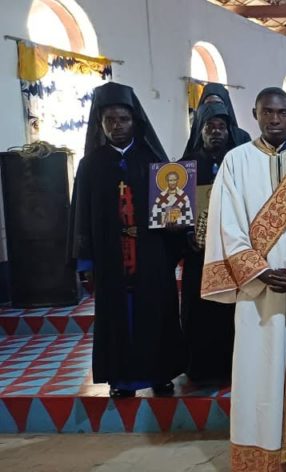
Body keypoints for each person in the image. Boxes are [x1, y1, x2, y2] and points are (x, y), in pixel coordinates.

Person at [201, 87, 286, 471]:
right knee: (257, 371)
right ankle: (261, 453)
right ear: (254, 114)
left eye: (282, 113)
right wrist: (258, 270)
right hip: (257, 290)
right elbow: (227, 222)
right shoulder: (235, 161)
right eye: (267, 113)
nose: (275, 119)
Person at [70, 82, 184, 399]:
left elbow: (172, 208)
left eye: (123, 119)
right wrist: (86, 261)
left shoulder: (154, 162)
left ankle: (161, 375)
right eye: (110, 120)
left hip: (151, 256)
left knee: (157, 312)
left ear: (135, 122)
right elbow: (81, 213)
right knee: (117, 319)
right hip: (110, 259)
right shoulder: (90, 165)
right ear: (100, 124)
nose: (117, 126)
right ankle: (121, 379)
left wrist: (177, 230)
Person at [179, 102, 237, 386]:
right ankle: (199, 367)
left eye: (221, 127)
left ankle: (232, 367)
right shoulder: (185, 166)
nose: (216, 133)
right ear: (200, 131)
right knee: (199, 311)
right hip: (198, 258)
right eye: (210, 127)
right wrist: (185, 234)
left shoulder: (239, 162)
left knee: (230, 312)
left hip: (232, 256)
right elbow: (172, 212)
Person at [184, 82, 251, 156]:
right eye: (209, 103)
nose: (214, 108)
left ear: (226, 106)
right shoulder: (195, 137)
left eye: (218, 103)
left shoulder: (242, 137)